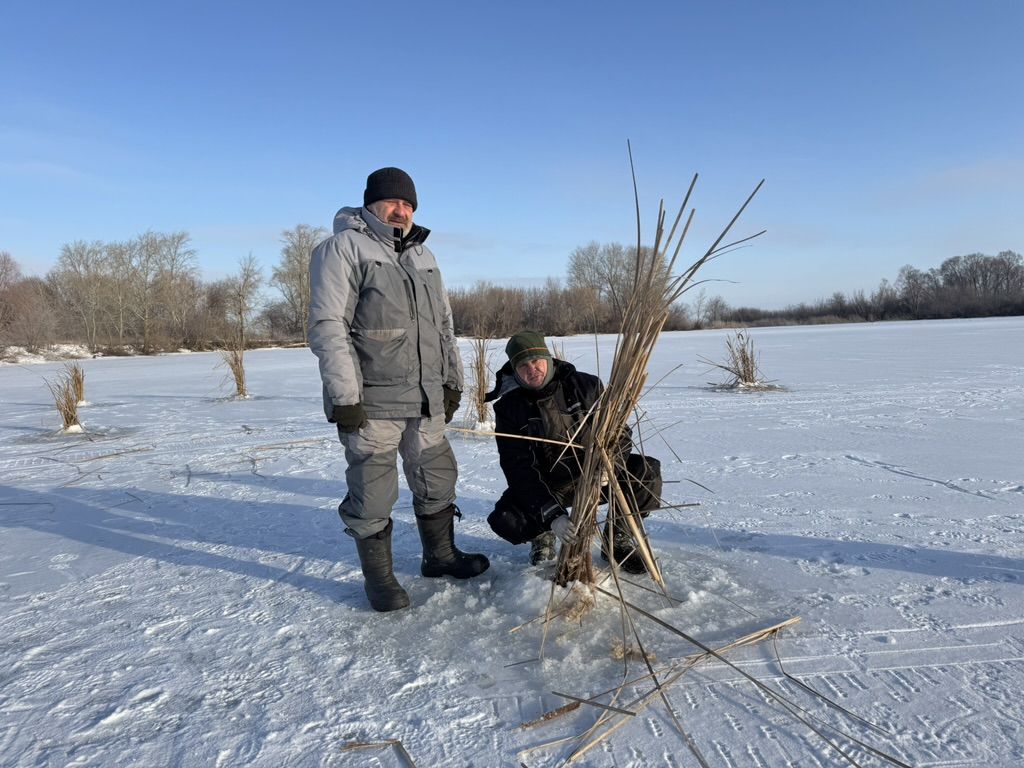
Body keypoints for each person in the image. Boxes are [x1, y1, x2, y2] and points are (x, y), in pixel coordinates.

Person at [308, 167, 488, 612]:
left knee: (437, 476)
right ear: (371, 203)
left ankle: (440, 556)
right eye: (393, 201)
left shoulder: (424, 255)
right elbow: (329, 327)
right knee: (373, 488)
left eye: (409, 204)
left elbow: (444, 327)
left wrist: (452, 382)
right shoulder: (342, 249)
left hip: (426, 396)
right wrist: (346, 397)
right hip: (373, 399)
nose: (401, 210)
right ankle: (381, 580)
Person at [484, 331, 662, 573]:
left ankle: (617, 539)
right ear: (514, 370)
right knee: (506, 519)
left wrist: (610, 464)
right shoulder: (509, 408)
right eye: (523, 365)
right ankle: (543, 537)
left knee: (646, 472)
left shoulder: (586, 386)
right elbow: (518, 469)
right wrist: (552, 515)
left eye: (536, 360)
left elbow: (619, 433)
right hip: (550, 486)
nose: (532, 369)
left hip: (595, 477)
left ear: (548, 358)